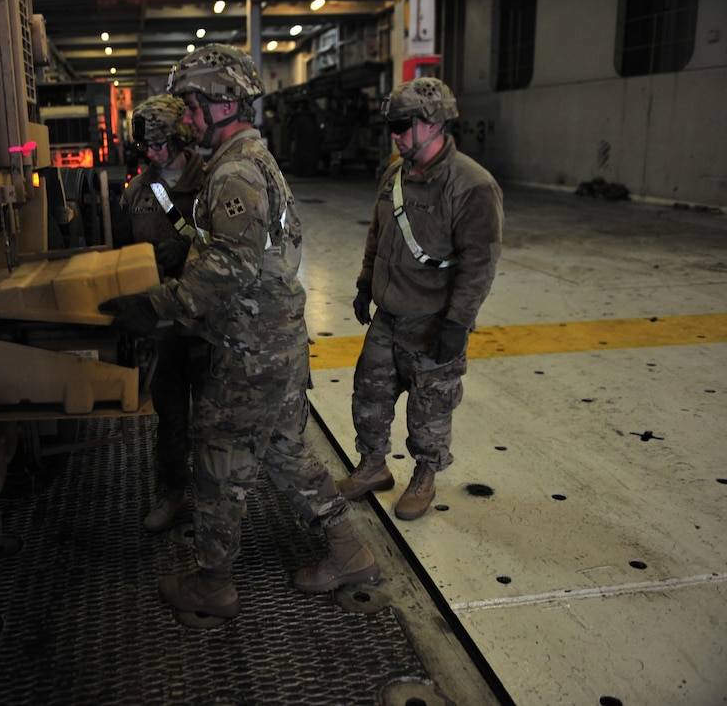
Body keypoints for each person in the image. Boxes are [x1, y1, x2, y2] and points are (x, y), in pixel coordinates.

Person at [99, 44, 380, 619]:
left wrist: (152, 306)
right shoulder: (248, 160)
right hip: (270, 342)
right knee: (283, 453)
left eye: (192, 104)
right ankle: (349, 549)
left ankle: (213, 583)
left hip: (251, 351)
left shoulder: (235, 170)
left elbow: (225, 271)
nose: (187, 118)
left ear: (222, 103)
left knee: (218, 460)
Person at [337, 77, 503, 520]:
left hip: (433, 322)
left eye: (401, 125)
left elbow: (479, 265)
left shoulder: (471, 185)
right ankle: (373, 466)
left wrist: (457, 323)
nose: (393, 135)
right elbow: (379, 234)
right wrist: (364, 283)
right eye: (390, 125)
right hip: (388, 317)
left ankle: (425, 475)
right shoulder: (395, 175)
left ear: (434, 123)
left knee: (429, 414)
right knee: (368, 398)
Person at [115, 95, 206, 533]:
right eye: (144, 147)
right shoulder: (136, 193)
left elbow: (245, 246)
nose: (151, 154)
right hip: (164, 329)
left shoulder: (213, 182)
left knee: (215, 421)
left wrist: (188, 247)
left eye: (159, 145)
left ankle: (217, 501)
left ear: (181, 137)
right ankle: (173, 494)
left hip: (210, 327)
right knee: (171, 420)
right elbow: (121, 258)